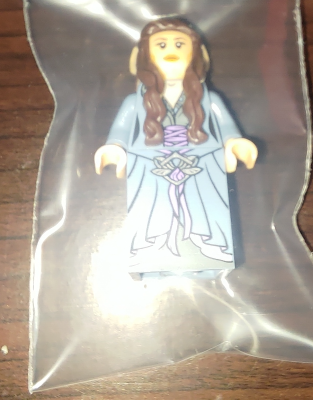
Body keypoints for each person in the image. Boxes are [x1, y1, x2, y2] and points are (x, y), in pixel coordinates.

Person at [95, 17, 257, 274]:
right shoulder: (134, 102)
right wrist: (114, 147)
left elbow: (226, 127)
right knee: (153, 202)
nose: (171, 50)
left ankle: (209, 246)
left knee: (202, 200)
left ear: (196, 54)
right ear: (144, 55)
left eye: (180, 44)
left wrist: (235, 143)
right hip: (150, 160)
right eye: (161, 45)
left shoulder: (209, 100)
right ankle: (152, 248)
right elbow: (121, 131)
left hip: (200, 159)